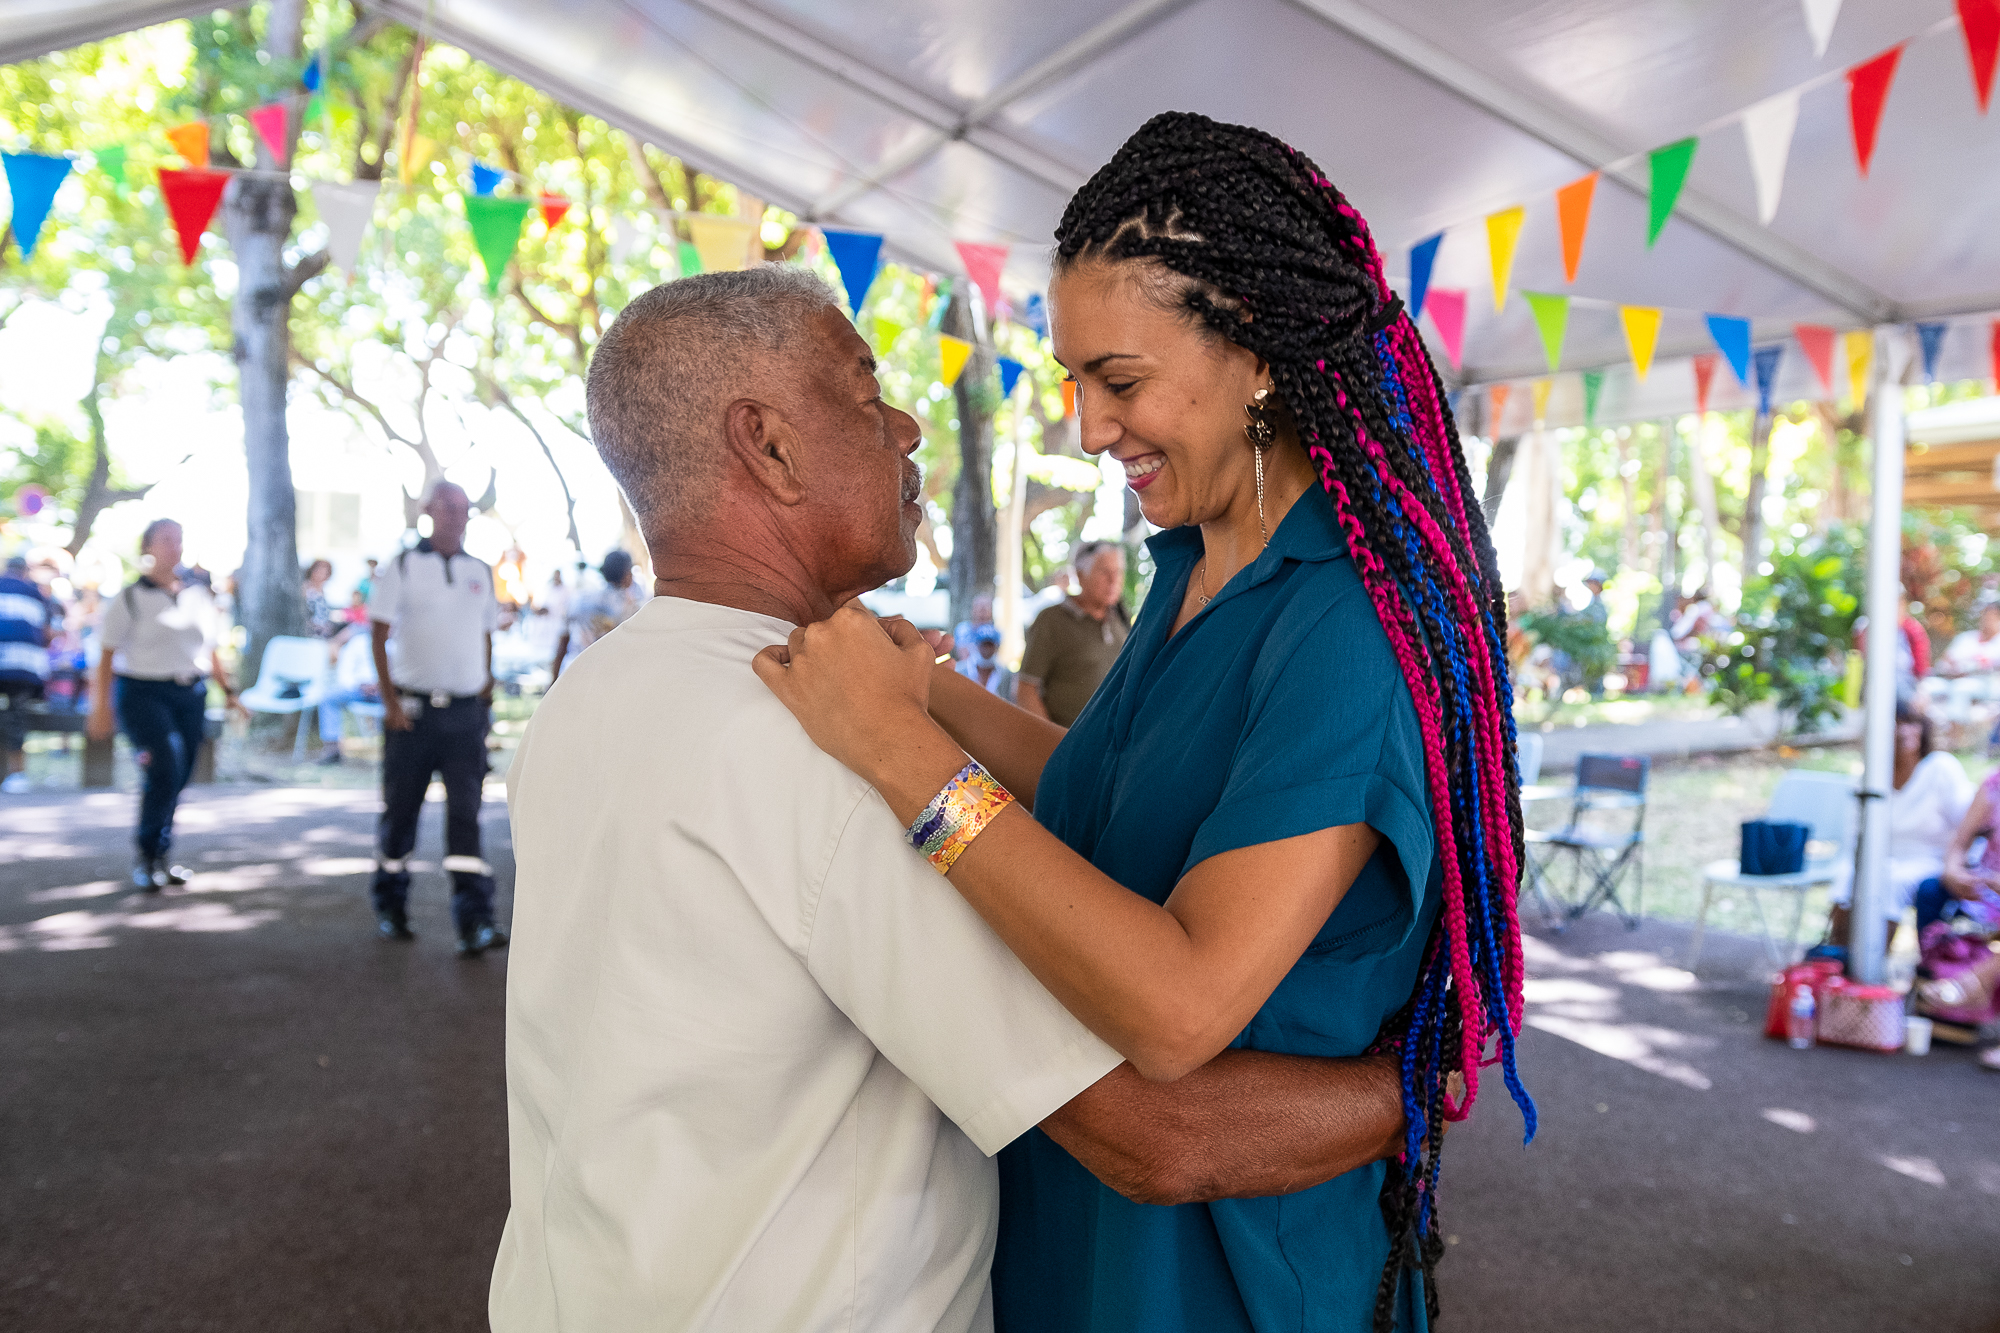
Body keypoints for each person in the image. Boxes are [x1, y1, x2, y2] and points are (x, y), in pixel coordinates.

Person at [492, 266, 1412, 1332]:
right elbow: (1153, 1134)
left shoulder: (596, 687)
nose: (908, 420)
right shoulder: (833, 746)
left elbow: (1082, 786)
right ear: (769, 446)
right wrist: (1415, 1088)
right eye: (862, 385)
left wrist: (920, 692)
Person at [758, 113, 1534, 1332]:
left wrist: (900, 754)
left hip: (1220, 1280)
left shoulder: (1346, 621)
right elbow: (1109, 796)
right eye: (1073, 377)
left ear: (1259, 350)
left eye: (1118, 380)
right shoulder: (1195, 557)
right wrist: (917, 687)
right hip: (1078, 1240)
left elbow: (1179, 1009)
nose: (1087, 424)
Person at [366, 483, 506, 955]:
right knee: (401, 812)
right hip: (413, 714)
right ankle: (390, 904)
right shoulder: (404, 565)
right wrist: (389, 703)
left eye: (464, 510)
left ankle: (475, 920)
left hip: (466, 714)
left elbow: (486, 635)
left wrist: (485, 693)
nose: (457, 518)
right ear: (428, 511)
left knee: (466, 816)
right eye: (448, 508)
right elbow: (378, 633)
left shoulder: (479, 571)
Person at [88, 520, 243, 890]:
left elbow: (211, 649)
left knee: (180, 774)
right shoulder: (129, 597)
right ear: (149, 546)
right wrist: (101, 708)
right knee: (163, 767)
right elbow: (106, 655)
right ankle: (146, 855)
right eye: (167, 540)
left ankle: (162, 853)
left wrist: (230, 692)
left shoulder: (198, 594)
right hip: (142, 693)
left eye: (179, 540)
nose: (175, 546)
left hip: (189, 694)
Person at [1827, 706, 1970, 948]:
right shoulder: (1871, 774)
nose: (1902, 731)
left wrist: (1958, 867)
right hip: (1881, 859)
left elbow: (1967, 826)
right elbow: (1855, 834)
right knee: (1848, 879)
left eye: (1910, 722)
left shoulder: (1941, 768)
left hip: (1930, 860)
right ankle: (1835, 960)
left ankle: (1872, 970)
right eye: (1894, 724)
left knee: (1889, 882)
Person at [1017, 540, 1129, 726]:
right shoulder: (1051, 620)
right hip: (1066, 743)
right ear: (1080, 575)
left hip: (1112, 746)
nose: (1113, 579)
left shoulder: (1121, 620)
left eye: (1118, 572)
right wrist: (1053, 743)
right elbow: (1025, 690)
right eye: (1104, 571)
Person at [0, 554, 54, 794]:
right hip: (24, 667)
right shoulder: (35, 593)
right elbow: (46, 634)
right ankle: (16, 773)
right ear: (25, 572)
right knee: (16, 716)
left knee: (13, 716)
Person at [548, 548, 645, 681]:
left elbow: (562, 643)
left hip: (573, 672)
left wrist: (553, 680)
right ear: (626, 574)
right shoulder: (630, 608)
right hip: (607, 676)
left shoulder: (579, 599)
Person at [314, 631, 382, 766]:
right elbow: (345, 672)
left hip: (387, 692)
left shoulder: (397, 643)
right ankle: (332, 751)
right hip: (358, 690)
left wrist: (382, 685)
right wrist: (360, 685)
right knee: (329, 699)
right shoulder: (358, 641)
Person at [957, 621, 1015, 698]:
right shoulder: (960, 671)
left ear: (996, 647)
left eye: (990, 645)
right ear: (977, 645)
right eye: (983, 645)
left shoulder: (1006, 674)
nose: (986, 649)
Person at [952, 589, 995, 661]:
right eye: (980, 606)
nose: (982, 610)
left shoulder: (996, 632)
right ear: (973, 609)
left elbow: (993, 659)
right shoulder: (962, 629)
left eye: (986, 607)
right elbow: (964, 656)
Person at [302, 558, 338, 638]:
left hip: (324, 627)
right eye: (319, 572)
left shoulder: (322, 589)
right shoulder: (306, 587)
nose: (321, 575)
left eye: (325, 573)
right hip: (311, 629)